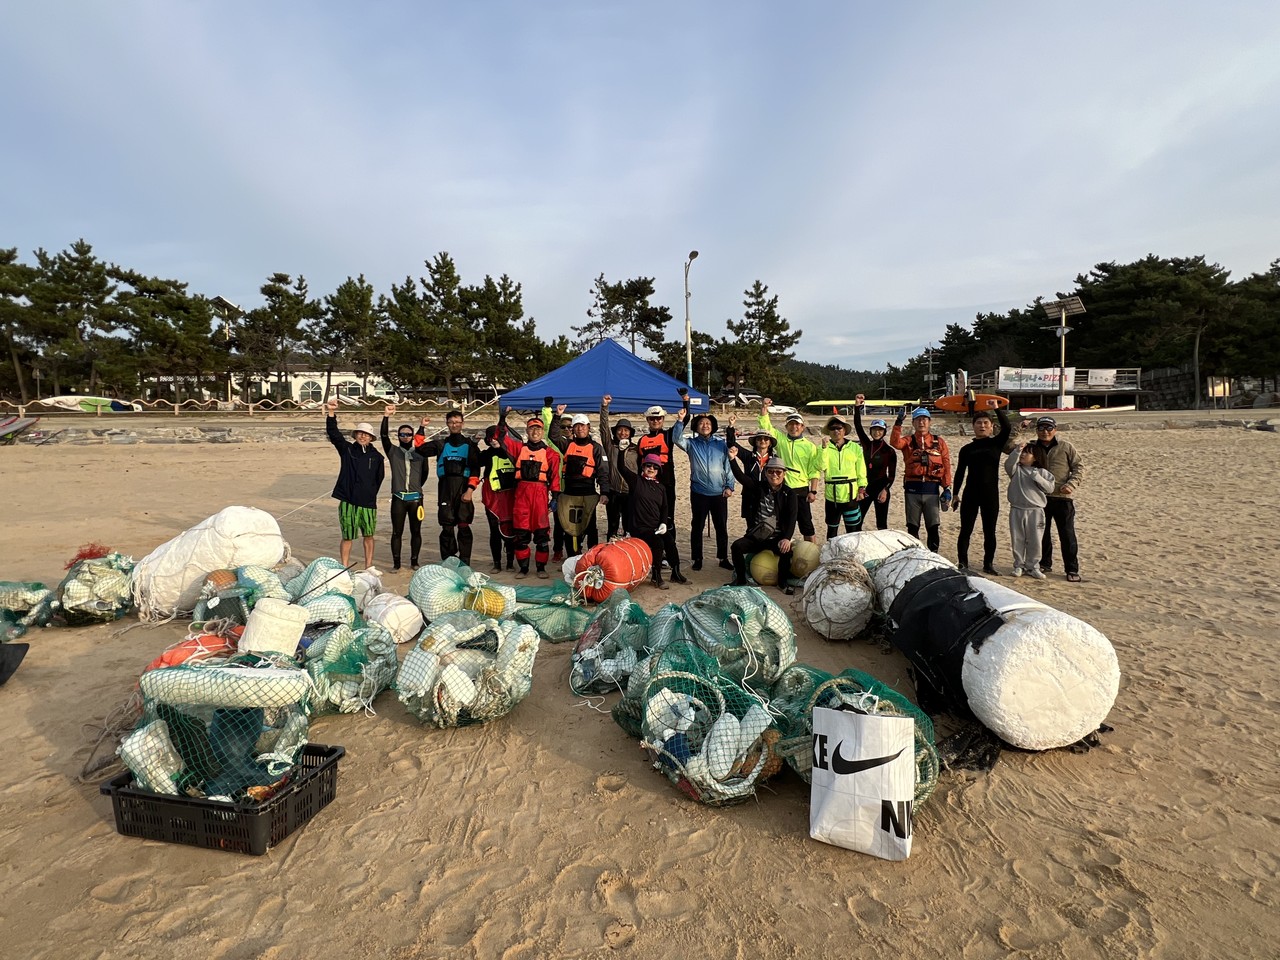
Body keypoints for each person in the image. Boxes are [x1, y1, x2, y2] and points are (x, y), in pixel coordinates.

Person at [497, 406, 561, 578]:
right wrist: (503, 418)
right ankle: (523, 568)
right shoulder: (519, 449)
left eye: (538, 428)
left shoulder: (550, 454)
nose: (535, 431)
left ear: (542, 431)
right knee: (521, 535)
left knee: (542, 537)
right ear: (527, 430)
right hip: (522, 496)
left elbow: (555, 477)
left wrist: (555, 497)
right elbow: (501, 438)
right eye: (532, 428)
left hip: (540, 496)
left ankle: (541, 568)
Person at [634, 392, 692, 583]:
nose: (656, 421)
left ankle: (672, 564)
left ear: (662, 419)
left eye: (659, 418)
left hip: (666, 485)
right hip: (647, 486)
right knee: (649, 521)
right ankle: (654, 558)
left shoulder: (668, 435)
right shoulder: (642, 441)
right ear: (648, 420)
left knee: (667, 521)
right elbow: (638, 464)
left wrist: (685, 402)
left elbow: (685, 422)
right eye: (653, 418)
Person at [951, 401, 1012, 575]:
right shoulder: (966, 449)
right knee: (966, 530)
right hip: (970, 493)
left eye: (986, 423)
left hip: (990, 495)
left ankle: (988, 564)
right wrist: (955, 494)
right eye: (979, 423)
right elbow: (960, 472)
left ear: (992, 427)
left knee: (989, 531)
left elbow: (1007, 427)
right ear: (973, 426)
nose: (982, 426)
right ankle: (962, 562)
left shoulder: (996, 443)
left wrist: (996, 408)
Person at [414, 409, 481, 565]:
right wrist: (422, 427)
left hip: (463, 487)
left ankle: (465, 561)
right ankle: (449, 560)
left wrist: (470, 490)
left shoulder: (469, 445)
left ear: (462, 424)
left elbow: (476, 469)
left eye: (457, 422)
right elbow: (419, 448)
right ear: (447, 424)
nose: (454, 425)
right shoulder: (441, 444)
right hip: (445, 487)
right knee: (447, 526)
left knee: (463, 525)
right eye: (451, 422)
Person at [672, 408, 735, 571]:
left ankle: (723, 558)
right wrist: (680, 421)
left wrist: (730, 486)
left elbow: (727, 466)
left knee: (721, 526)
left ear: (712, 427)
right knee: (697, 526)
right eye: (701, 423)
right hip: (699, 492)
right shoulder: (691, 444)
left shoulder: (721, 444)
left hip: (719, 492)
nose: (704, 425)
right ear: (696, 427)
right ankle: (697, 558)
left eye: (707, 423)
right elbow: (676, 438)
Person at [727, 453, 800, 595]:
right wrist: (732, 459)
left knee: (787, 552)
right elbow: (741, 477)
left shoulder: (789, 494)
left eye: (778, 472)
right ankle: (741, 580)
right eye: (770, 471)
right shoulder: (758, 487)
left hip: (777, 537)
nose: (774, 475)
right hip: (757, 536)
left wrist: (786, 538)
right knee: (736, 547)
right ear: (765, 473)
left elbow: (792, 518)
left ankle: (782, 583)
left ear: (784, 474)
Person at [325, 400, 385, 569]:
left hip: (368, 503)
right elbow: (334, 434)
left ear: (371, 437)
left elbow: (378, 479)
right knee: (347, 536)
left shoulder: (377, 457)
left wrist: (369, 493)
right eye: (359, 433)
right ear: (356, 435)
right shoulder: (348, 450)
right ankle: (344, 566)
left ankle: (369, 566)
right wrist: (331, 413)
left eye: (366, 434)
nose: (362, 436)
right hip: (348, 501)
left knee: (369, 535)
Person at [757, 399, 822, 543]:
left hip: (801, 490)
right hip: (783, 489)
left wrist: (813, 491)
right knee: (784, 524)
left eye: (797, 424)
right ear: (786, 426)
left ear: (802, 427)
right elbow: (765, 424)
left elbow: (814, 471)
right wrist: (764, 407)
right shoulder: (780, 440)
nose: (794, 427)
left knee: (806, 524)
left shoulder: (810, 446)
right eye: (791, 424)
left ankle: (811, 552)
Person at [548, 406, 610, 556]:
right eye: (577, 426)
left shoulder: (596, 448)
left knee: (590, 526)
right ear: (573, 429)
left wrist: (604, 492)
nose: (580, 429)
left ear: (588, 427)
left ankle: (591, 556)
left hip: (588, 493)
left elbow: (603, 471)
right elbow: (553, 436)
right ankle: (573, 556)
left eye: (583, 426)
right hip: (569, 493)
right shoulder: (567, 445)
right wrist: (557, 416)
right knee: (570, 528)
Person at [889, 405, 952, 552]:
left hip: (932, 490)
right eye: (918, 420)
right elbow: (895, 443)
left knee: (933, 525)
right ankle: (914, 554)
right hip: (912, 490)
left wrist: (947, 487)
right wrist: (898, 422)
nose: (921, 422)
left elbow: (946, 464)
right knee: (912, 526)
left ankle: (934, 554)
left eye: (924, 419)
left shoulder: (939, 442)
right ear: (913, 423)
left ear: (929, 422)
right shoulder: (908, 441)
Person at [1033, 416, 1085, 582]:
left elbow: (1079, 467)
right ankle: (1044, 563)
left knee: (1067, 534)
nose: (1045, 432)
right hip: (1040, 498)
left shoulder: (1066, 447)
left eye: (1048, 428)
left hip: (1063, 498)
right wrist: (1018, 428)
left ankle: (1072, 568)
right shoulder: (1031, 447)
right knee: (1043, 534)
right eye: (1041, 428)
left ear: (1055, 430)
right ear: (1036, 430)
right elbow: (1008, 447)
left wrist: (1071, 484)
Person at [379, 404, 428, 571]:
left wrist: (422, 427)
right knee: (396, 532)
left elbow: (425, 473)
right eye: (402, 434)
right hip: (399, 498)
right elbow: (383, 436)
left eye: (408, 434)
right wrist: (386, 416)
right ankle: (396, 563)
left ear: (412, 436)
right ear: (398, 436)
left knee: (416, 532)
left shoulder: (420, 452)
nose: (405, 436)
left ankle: (414, 561)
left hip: (416, 499)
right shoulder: (393, 451)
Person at [617, 452, 671, 590]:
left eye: (655, 467)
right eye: (648, 466)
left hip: (655, 526)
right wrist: (622, 452)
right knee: (658, 542)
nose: (651, 469)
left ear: (658, 470)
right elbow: (621, 468)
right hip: (638, 527)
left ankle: (674, 572)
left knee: (670, 541)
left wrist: (663, 523)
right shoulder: (636, 481)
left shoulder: (661, 487)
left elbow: (665, 507)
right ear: (643, 467)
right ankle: (656, 576)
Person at [1004, 442, 1055, 578]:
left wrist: (1037, 477)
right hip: (1017, 510)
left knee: (1035, 540)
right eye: (1023, 452)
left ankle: (1033, 566)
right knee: (1018, 539)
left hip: (1036, 511)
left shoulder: (1042, 472)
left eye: (1028, 452)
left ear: (1036, 457)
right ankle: (1019, 565)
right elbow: (1008, 464)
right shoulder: (1016, 470)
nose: (1024, 454)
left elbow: (1050, 488)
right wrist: (1016, 451)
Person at [479, 423, 519, 572]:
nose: (494, 440)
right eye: (491, 437)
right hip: (493, 498)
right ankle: (497, 563)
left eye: (497, 436)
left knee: (510, 530)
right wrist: (473, 441)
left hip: (511, 497)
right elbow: (473, 459)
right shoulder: (487, 454)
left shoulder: (513, 452)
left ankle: (510, 562)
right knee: (494, 531)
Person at [725, 415, 777, 530]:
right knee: (751, 527)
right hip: (749, 495)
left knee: (767, 527)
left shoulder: (775, 460)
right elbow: (731, 444)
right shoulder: (748, 456)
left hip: (767, 495)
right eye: (759, 439)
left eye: (766, 439)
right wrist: (731, 426)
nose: (762, 441)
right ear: (755, 442)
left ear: (770, 443)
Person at [820, 413, 868, 538]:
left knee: (852, 531)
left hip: (851, 495)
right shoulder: (824, 448)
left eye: (839, 428)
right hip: (832, 496)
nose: (836, 431)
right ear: (829, 432)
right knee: (832, 531)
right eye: (833, 428)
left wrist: (862, 488)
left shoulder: (855, 447)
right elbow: (821, 466)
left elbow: (861, 470)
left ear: (844, 430)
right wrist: (824, 449)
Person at [853, 396, 897, 530]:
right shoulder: (867, 444)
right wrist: (857, 407)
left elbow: (892, 475)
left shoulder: (889, 451)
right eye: (874, 430)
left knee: (881, 524)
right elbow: (858, 426)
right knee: (857, 522)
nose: (877, 432)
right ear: (871, 431)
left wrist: (885, 490)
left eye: (880, 430)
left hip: (881, 488)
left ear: (884, 432)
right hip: (866, 488)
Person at [599, 395, 635, 539]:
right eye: (620, 430)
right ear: (615, 432)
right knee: (612, 527)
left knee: (629, 527)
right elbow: (603, 428)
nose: (623, 433)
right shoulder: (610, 446)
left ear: (630, 433)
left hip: (629, 493)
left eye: (626, 430)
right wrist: (605, 407)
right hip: (613, 492)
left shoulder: (635, 450)